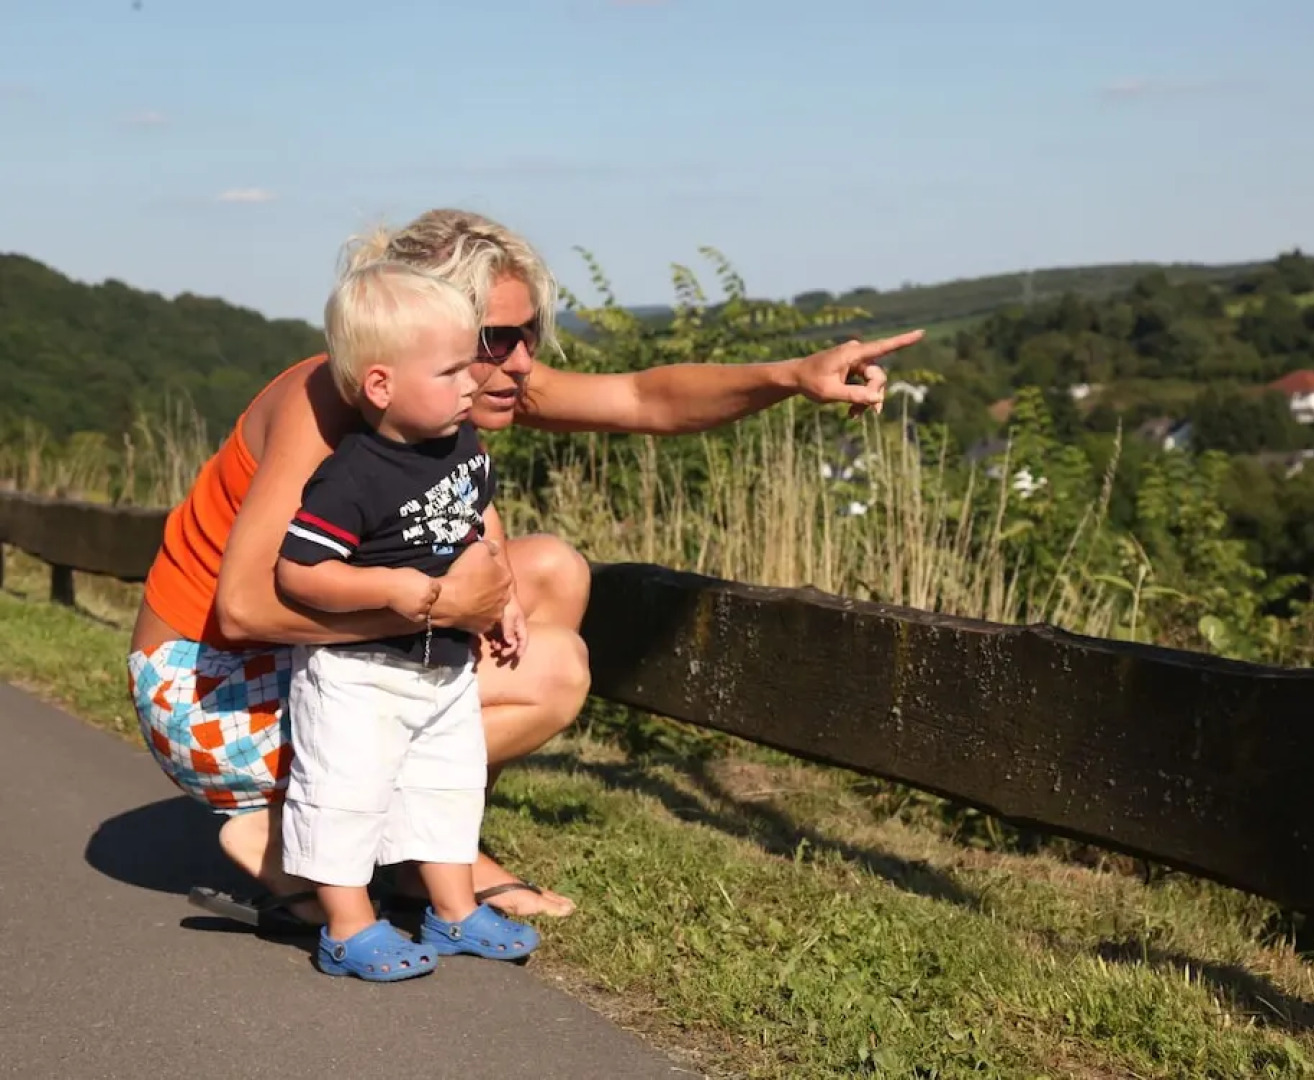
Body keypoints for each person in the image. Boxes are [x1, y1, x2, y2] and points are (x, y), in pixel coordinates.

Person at [127, 206, 925, 932]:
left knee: (551, 571)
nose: (520, 361)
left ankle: (424, 844)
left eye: (530, 333)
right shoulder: (330, 396)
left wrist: (791, 377)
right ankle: (314, 843)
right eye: (496, 338)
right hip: (205, 689)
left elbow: (644, 400)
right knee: (553, 671)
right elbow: (244, 608)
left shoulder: (446, 387)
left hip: (299, 660)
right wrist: (440, 606)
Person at [275, 260, 539, 979]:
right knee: (345, 794)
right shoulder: (352, 476)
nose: (471, 383)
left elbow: (480, 514)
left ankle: (452, 910)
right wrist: (388, 588)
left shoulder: (462, 445)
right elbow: (299, 570)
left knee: (449, 787)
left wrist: (504, 593)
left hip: (442, 666)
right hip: (358, 674)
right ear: (381, 386)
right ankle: (348, 927)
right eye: (450, 372)